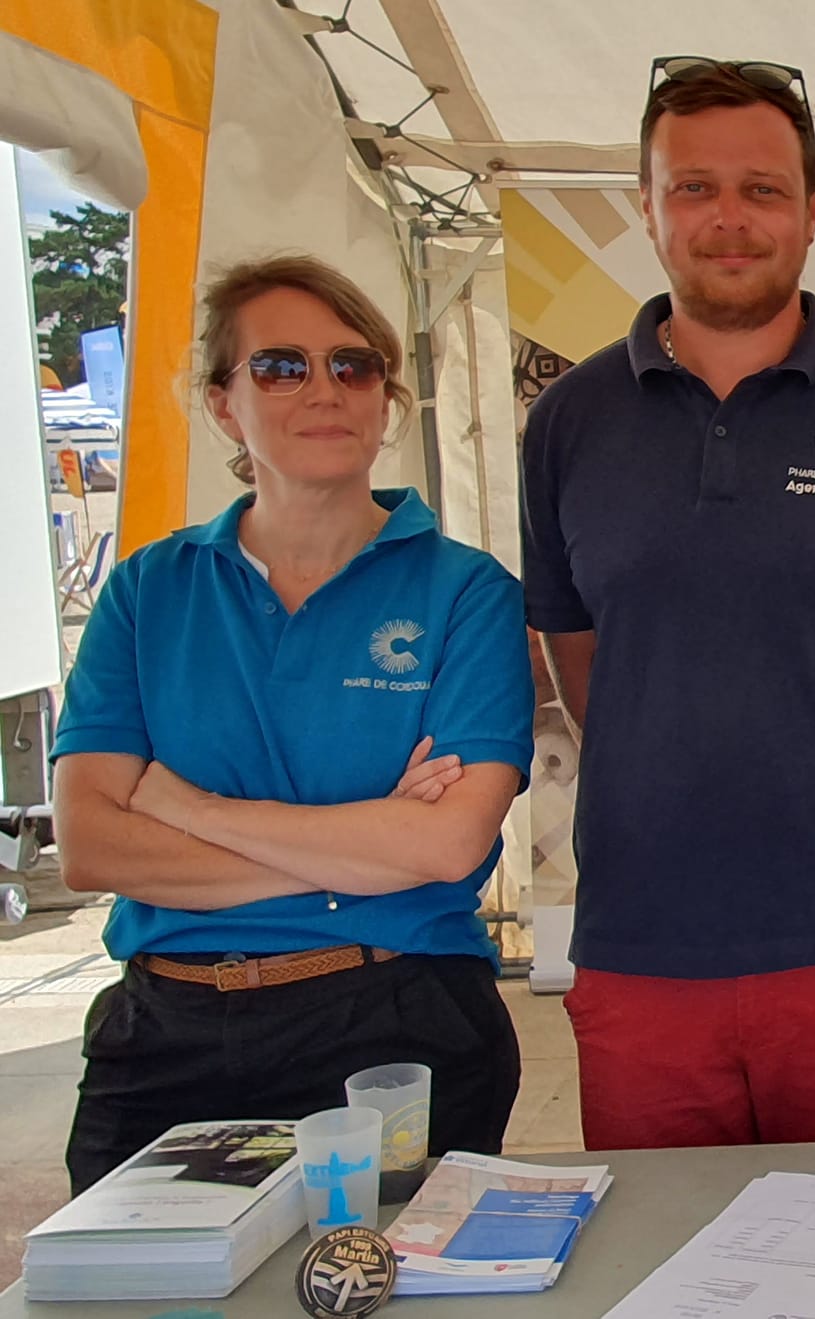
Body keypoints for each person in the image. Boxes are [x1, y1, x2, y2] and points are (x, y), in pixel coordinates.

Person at [519, 58, 815, 1150]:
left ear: (812, 210)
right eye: (692, 187)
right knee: (660, 1261)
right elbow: (579, 658)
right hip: (641, 936)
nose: (728, 219)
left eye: (763, 189)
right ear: (646, 206)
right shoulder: (570, 421)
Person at [54, 254, 531, 1193]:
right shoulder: (149, 590)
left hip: (394, 1020)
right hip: (167, 1028)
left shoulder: (466, 593)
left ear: (385, 399)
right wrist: (356, 849)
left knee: (383, 1288)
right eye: (281, 366)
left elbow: (445, 842)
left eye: (353, 366)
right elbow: (91, 847)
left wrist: (182, 803)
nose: (324, 389)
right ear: (224, 403)